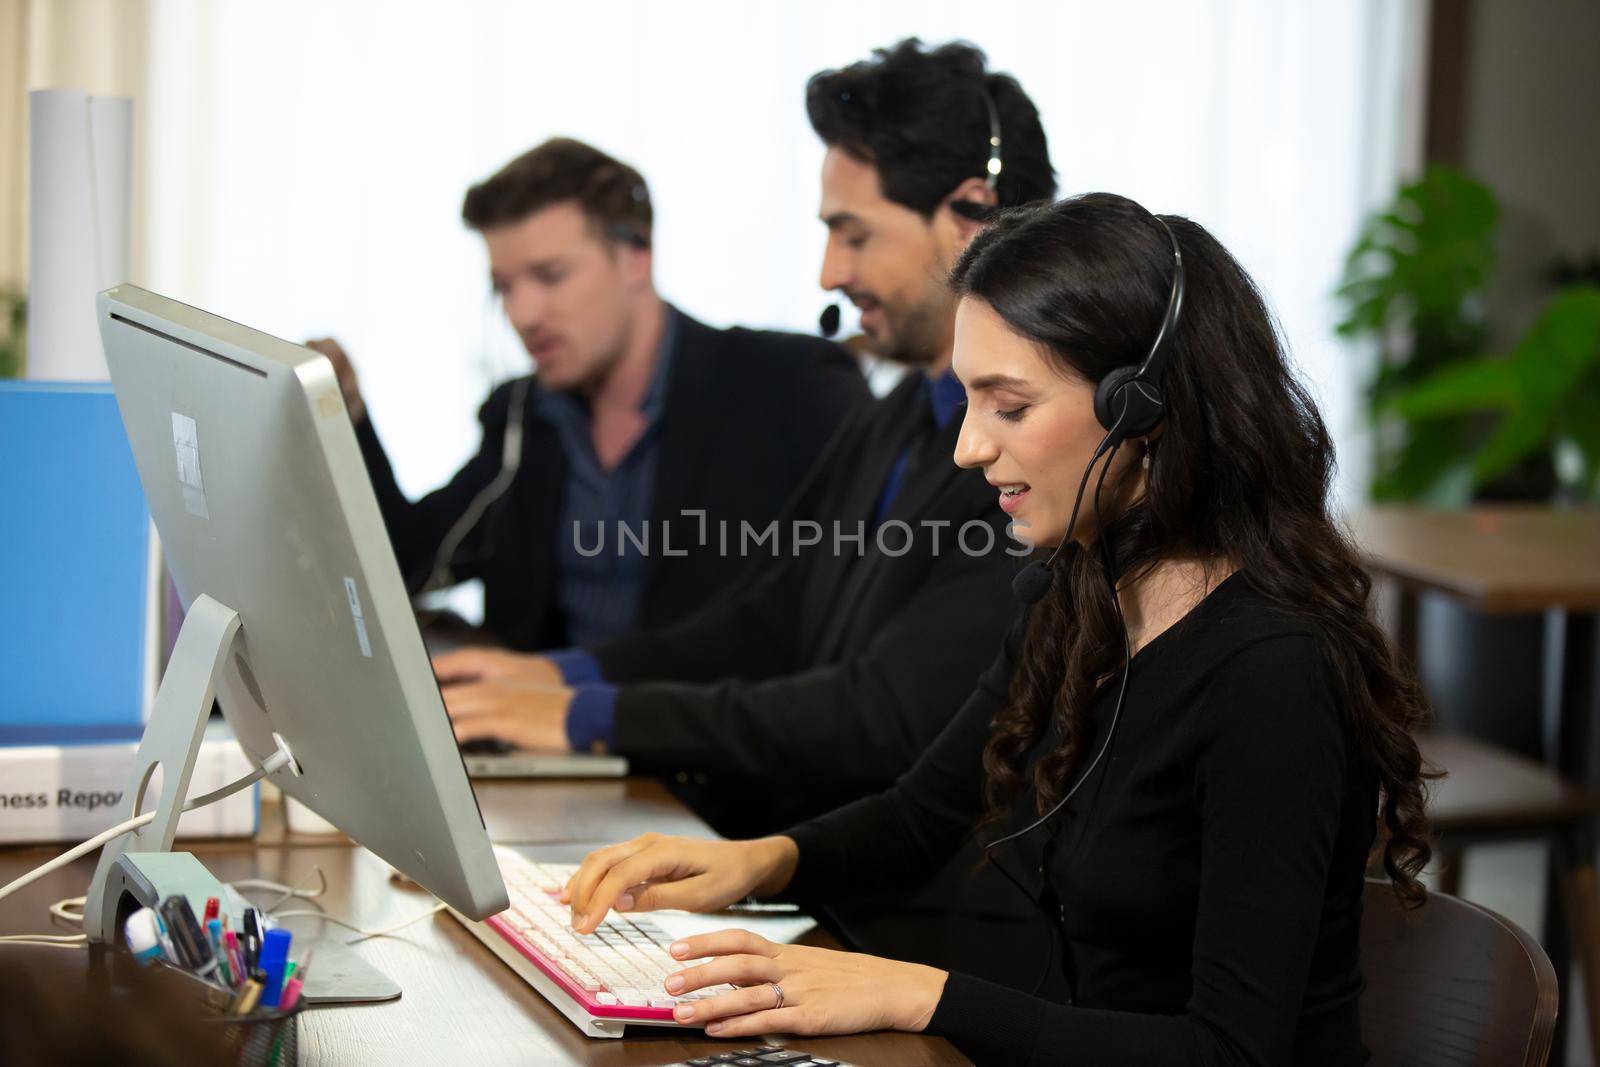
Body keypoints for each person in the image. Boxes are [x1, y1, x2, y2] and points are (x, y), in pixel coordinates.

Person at [557, 194, 1436, 1066]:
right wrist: (756, 862)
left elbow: (1232, 1051)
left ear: (1143, 409)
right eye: (969, 400)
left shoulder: (1275, 672)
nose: (968, 448)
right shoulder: (1079, 594)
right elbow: (924, 811)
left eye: (1008, 406)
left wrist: (920, 992)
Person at [431, 39, 1059, 987]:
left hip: (925, 942)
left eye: (853, 234)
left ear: (972, 214)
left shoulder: (1022, 466)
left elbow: (877, 718)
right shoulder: (897, 417)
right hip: (838, 896)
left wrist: (590, 711)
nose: (826, 273)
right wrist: (556, 676)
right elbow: (770, 616)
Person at [309, 138, 868, 651]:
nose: (522, 314)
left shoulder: (784, 387)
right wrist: (346, 420)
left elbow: (841, 608)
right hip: (546, 747)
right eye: (503, 287)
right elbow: (412, 564)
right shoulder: (523, 417)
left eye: (550, 276)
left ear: (635, 257)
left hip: (710, 744)